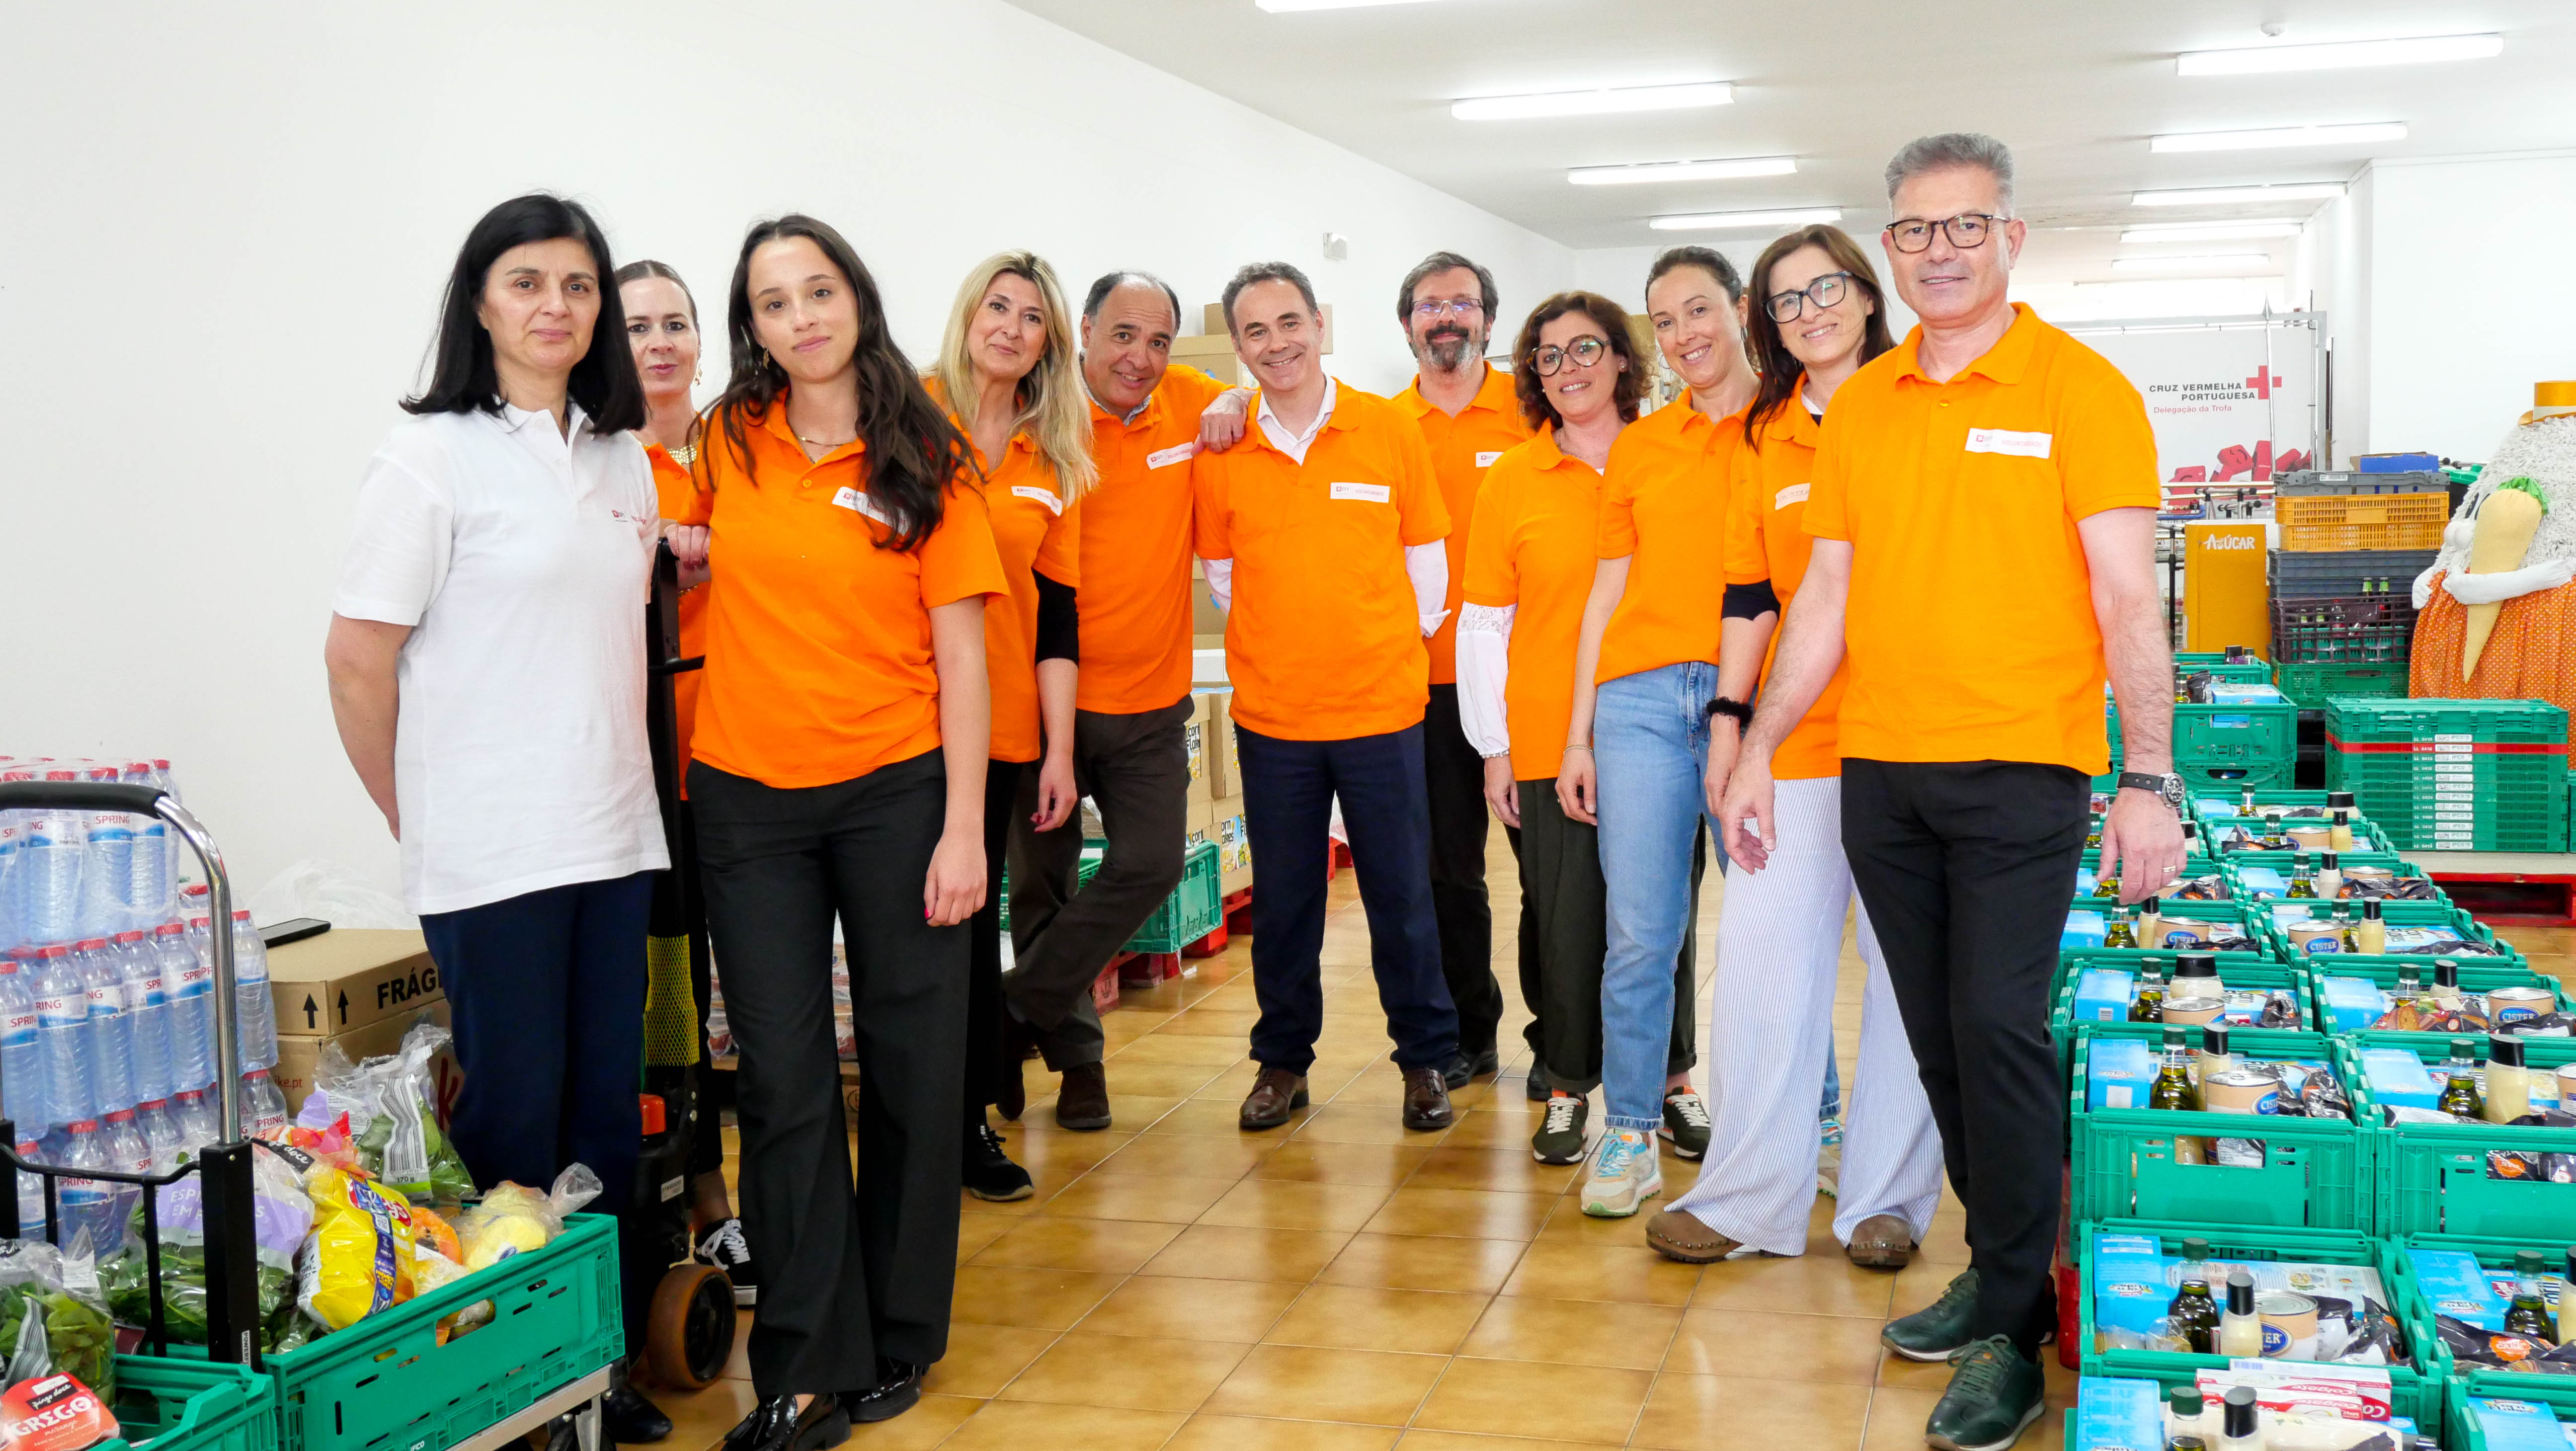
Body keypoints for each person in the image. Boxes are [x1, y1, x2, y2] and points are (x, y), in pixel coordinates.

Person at [1719, 135, 2184, 1451]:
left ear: (2011, 236)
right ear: (1892, 249)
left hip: (2025, 764)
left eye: (1966, 225)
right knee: (1935, 1040)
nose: (1941, 250)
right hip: (1884, 767)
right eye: (1917, 230)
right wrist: (1757, 743)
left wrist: (2150, 777)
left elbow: (2126, 598)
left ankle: (2015, 1329)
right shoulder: (1863, 405)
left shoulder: (2081, 390)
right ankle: (2000, 1270)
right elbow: (1825, 594)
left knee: (1995, 1029)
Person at [324, 193, 672, 1442]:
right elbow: (357, 661)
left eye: (577, 285)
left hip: (614, 837)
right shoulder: (428, 456)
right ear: (480, 302)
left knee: (605, 1116)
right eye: (526, 282)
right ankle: (509, 1383)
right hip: (493, 854)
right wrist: (415, 814)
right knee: (514, 1118)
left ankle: (598, 1364)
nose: (554, 307)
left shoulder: (620, 456)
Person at [664, 214, 1006, 1445]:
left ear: (856, 298)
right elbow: (682, 532)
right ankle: (806, 1362)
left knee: (913, 1061)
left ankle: (900, 1329)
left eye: (818, 291)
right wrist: (683, 543)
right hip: (748, 797)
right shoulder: (726, 437)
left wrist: (964, 828)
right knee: (784, 1076)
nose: (801, 318)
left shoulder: (929, 449)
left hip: (897, 789)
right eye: (773, 302)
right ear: (751, 325)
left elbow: (963, 656)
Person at [1643, 226, 1944, 1273]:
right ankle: (1749, 1197)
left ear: (1867, 295)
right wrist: (1731, 734)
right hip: (1798, 742)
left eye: (1826, 289)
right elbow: (1749, 594)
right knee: (1764, 962)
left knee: (1907, 977)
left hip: (1914, 737)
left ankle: (1887, 1201)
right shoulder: (1764, 433)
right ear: (1766, 320)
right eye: (1786, 299)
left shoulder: (1920, 405)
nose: (1809, 311)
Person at [1193, 260, 1459, 1133]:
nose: (1277, 344)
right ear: (1240, 348)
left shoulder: (1387, 429)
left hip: (1382, 712)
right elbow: (1224, 579)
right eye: (1256, 331)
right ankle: (1282, 1062)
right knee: (1285, 903)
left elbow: (1428, 571)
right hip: (1275, 720)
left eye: (1289, 323)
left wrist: (1370, 646)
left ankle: (1425, 1060)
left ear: (1319, 325)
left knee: (1402, 898)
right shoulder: (1224, 450)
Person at [1002, 272, 1245, 1131]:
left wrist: (1239, 396)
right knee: (1042, 886)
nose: (1140, 358)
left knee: (1150, 862)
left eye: (1159, 341)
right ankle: (1079, 1067)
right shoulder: (1037, 417)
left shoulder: (1192, 403)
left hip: (1149, 704)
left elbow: (1267, 393)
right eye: (1123, 336)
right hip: (1042, 706)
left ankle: (1011, 1014)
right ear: (1084, 332)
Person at [1457, 291, 1689, 1165]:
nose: (1568, 369)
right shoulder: (1514, 479)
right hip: (1551, 736)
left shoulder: (1671, 456)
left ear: (1623, 357)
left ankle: (1671, 1082)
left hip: (1666, 730)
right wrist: (1497, 750)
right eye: (1548, 357)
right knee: (1564, 920)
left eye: (1585, 349)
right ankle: (1565, 1085)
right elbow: (1485, 622)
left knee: (1660, 921)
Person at [1554, 246, 1752, 1217]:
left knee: (1773, 928)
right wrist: (1579, 734)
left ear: (1741, 310)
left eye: (1698, 310)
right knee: (1639, 933)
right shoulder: (1642, 446)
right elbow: (1606, 594)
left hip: (1750, 703)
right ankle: (1629, 1133)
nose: (1683, 334)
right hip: (1636, 704)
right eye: (1664, 321)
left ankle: (1815, 1122)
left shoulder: (1793, 428)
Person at [923, 251, 1094, 1202]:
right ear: (969, 314)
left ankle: (964, 1123)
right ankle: (925, 1122)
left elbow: (1057, 616)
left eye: (1033, 319)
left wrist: (1060, 749)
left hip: (996, 734)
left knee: (965, 927)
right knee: (908, 933)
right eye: (999, 307)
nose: (1011, 329)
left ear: (1047, 346)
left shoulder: (1053, 457)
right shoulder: (906, 415)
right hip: (897, 716)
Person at [617, 257, 762, 1308]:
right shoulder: (602, 468)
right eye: (638, 327)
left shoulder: (735, 451)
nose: (660, 343)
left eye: (676, 323)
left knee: (750, 992)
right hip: (647, 780)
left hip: (749, 761)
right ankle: (705, 1202)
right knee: (674, 997)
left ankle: (766, 1197)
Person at [1391, 252, 1529, 1089]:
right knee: (1449, 874)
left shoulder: (1533, 411)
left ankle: (1564, 1038)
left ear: (1489, 319)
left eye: (1462, 304)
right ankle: (1468, 1034)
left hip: (1528, 681)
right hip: (1425, 685)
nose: (1447, 318)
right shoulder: (1380, 425)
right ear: (1407, 323)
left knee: (1551, 870)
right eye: (1430, 305)